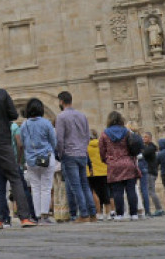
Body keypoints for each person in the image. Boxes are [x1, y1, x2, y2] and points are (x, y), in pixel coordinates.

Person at [0, 71, 36, 229]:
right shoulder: (2, 94)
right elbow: (13, 114)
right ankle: (25, 218)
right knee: (14, 178)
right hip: (3, 141)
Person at [55, 91, 96, 222]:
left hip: (69, 153)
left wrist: (60, 153)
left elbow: (60, 139)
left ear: (61, 101)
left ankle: (83, 214)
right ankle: (92, 213)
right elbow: (86, 135)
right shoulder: (82, 115)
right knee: (85, 184)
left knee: (76, 186)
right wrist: (84, 150)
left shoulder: (61, 117)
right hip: (82, 153)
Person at [18, 98, 57, 225]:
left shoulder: (24, 125)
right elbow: (53, 141)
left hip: (31, 160)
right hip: (46, 158)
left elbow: (22, 143)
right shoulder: (46, 123)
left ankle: (37, 215)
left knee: (35, 188)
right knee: (46, 187)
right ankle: (44, 216)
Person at [98, 111, 140, 221]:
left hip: (114, 164)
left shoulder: (105, 133)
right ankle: (134, 213)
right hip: (128, 162)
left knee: (117, 191)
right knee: (131, 190)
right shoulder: (127, 132)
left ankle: (120, 214)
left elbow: (102, 150)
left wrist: (105, 160)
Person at [87, 130, 111, 220]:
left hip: (91, 172)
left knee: (95, 193)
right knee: (105, 192)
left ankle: (99, 213)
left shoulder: (87, 147)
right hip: (104, 171)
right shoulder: (102, 145)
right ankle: (108, 213)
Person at [139, 132, 164, 216]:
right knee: (149, 190)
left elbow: (143, 154)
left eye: (145, 137)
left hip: (150, 171)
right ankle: (157, 209)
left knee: (151, 191)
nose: (143, 139)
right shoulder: (149, 147)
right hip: (150, 171)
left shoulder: (151, 147)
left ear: (150, 138)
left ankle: (159, 208)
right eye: (143, 137)